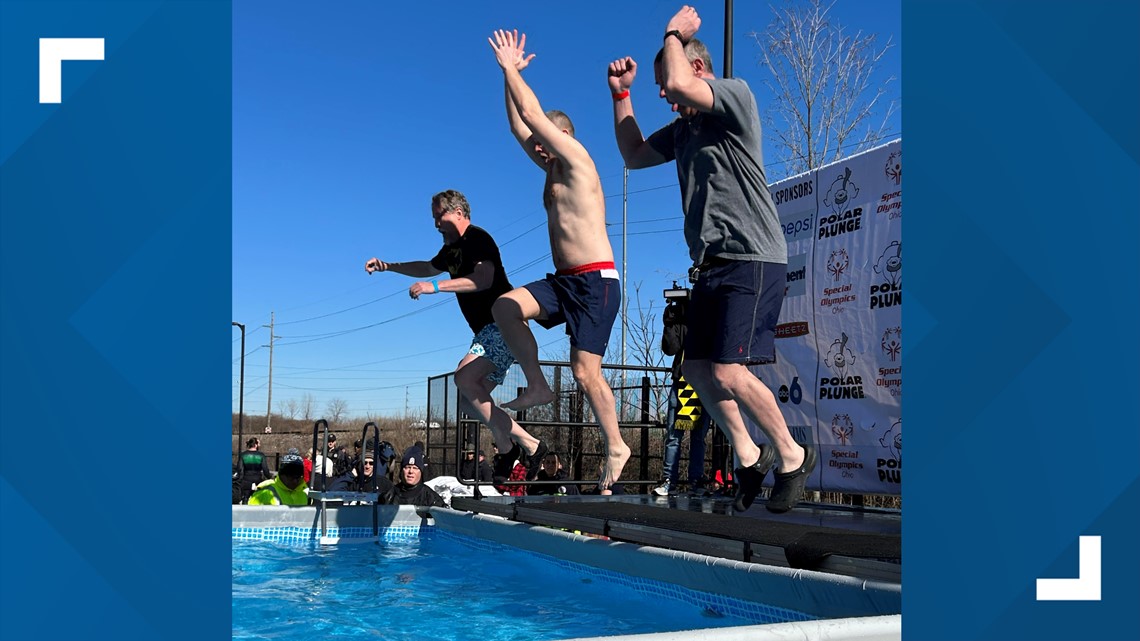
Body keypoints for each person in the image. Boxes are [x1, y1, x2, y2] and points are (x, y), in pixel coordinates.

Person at [608, 5, 817, 513]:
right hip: (710, 267)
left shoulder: (734, 99)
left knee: (726, 370)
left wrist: (674, 33)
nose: (664, 93)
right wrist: (621, 96)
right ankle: (749, 456)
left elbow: (680, 84)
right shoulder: (682, 133)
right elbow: (632, 154)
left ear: (697, 67)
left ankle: (792, 454)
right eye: (656, 86)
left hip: (752, 257)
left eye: (666, 80)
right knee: (698, 372)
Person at [488, 29, 630, 494]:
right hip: (566, 282)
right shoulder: (551, 165)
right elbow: (518, 125)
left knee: (586, 372)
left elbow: (532, 114)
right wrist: (506, 78)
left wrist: (512, 67)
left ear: (563, 135)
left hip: (595, 282)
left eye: (544, 142)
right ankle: (537, 383)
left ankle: (616, 445)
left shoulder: (576, 157)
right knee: (505, 307)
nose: (538, 149)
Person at [365, 189, 549, 482]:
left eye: (440, 215)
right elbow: (425, 266)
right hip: (484, 333)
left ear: (459, 213)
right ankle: (522, 446)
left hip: (502, 325)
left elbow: (484, 279)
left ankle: (513, 446)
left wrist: (434, 287)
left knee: (464, 379)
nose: (436, 222)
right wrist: (388, 266)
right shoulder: (451, 251)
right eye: (434, 217)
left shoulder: (477, 239)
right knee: (468, 401)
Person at [652, 289, 711, 497]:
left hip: (703, 383)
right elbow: (669, 349)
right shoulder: (680, 321)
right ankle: (669, 480)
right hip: (682, 382)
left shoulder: (710, 319)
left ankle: (697, 481)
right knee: (673, 436)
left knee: (698, 437)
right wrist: (669, 324)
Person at [325, 449, 395, 503]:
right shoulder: (352, 482)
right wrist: (350, 475)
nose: (367, 466)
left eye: (371, 463)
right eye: (364, 463)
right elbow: (332, 491)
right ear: (358, 464)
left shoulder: (383, 482)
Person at [235, 437, 272, 504]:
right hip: (258, 480)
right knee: (258, 499)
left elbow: (240, 470)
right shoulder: (261, 455)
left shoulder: (243, 455)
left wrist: (239, 481)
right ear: (255, 445)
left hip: (246, 480)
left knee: (245, 499)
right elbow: (265, 470)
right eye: (259, 443)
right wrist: (270, 478)